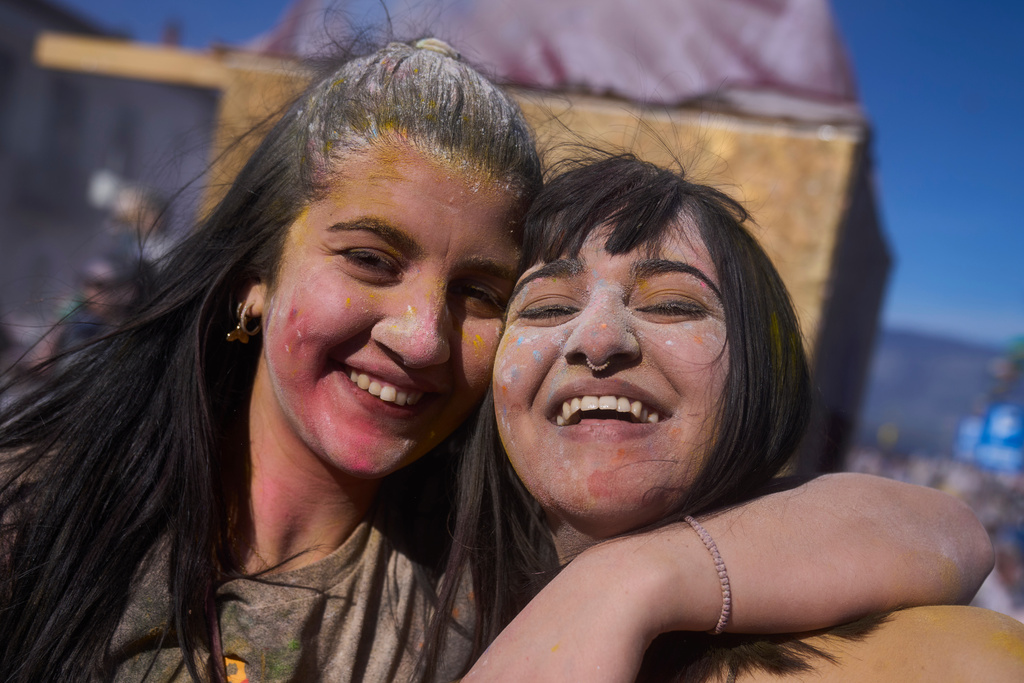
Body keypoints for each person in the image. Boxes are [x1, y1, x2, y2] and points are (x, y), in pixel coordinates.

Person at [0, 40, 995, 682]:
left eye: (480, 291)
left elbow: (934, 530)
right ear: (253, 274)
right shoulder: (45, 505)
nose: (423, 333)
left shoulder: (474, 566)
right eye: (369, 258)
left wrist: (630, 581)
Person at [452, 153, 1024, 681]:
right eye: (548, 307)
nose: (599, 339)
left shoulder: (941, 664)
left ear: (759, 376)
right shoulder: (414, 582)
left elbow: (952, 533)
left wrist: (624, 580)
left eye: (672, 304)